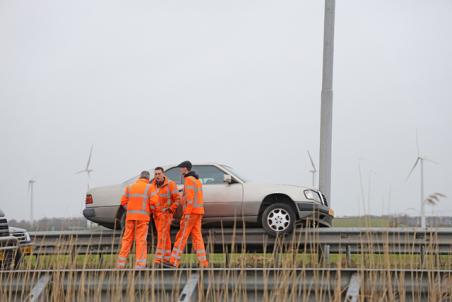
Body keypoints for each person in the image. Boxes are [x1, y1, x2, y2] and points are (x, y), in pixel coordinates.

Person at [166, 161, 208, 268]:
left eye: (181, 168)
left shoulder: (188, 180)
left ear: (185, 169)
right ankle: (203, 262)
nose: (180, 170)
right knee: (197, 237)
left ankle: (174, 261)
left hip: (191, 213)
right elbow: (195, 197)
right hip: (198, 212)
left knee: (181, 236)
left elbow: (190, 199)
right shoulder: (196, 180)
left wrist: (187, 213)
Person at [116, 170, 156, 269]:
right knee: (141, 241)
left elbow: (123, 202)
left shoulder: (130, 187)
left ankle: (120, 264)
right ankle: (140, 265)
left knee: (127, 240)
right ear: (147, 178)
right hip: (143, 219)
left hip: (130, 218)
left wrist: (130, 210)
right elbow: (154, 203)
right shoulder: (150, 187)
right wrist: (149, 212)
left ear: (140, 177)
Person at [150, 166, 180, 265]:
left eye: (159, 174)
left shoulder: (171, 184)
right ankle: (166, 259)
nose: (157, 176)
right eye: (155, 174)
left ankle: (158, 260)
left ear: (163, 174)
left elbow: (177, 199)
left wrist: (171, 209)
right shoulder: (152, 186)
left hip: (166, 215)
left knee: (161, 237)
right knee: (165, 236)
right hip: (156, 216)